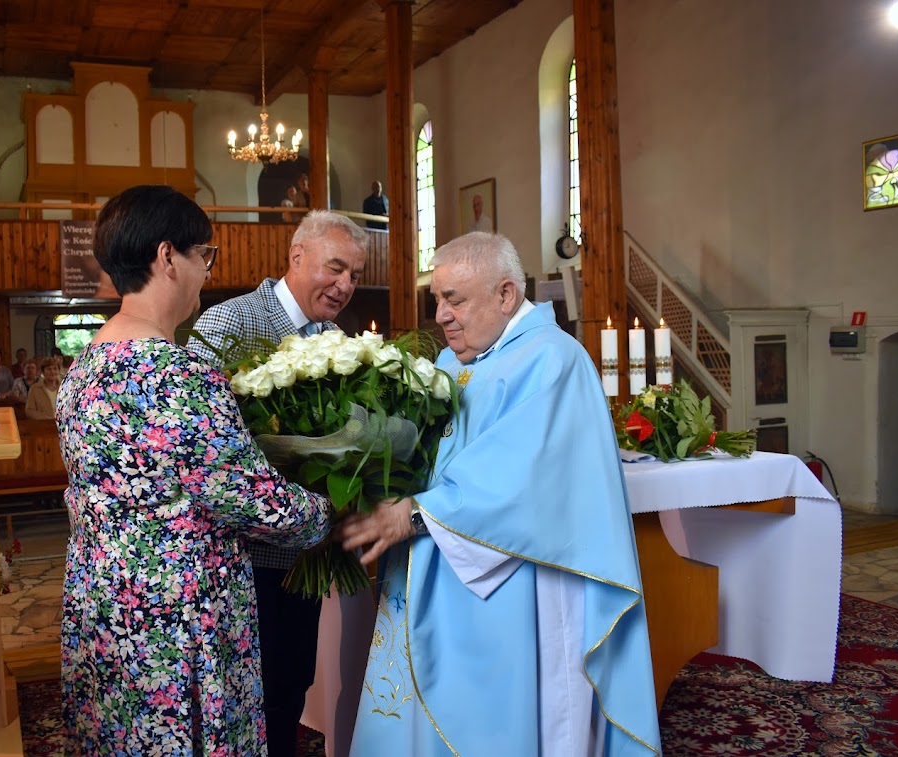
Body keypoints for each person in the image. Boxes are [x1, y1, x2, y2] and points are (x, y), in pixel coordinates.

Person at [338, 232, 662, 756]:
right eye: (437, 300)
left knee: (508, 715)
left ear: (506, 294)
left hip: (519, 577)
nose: (441, 315)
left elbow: (520, 476)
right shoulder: (451, 362)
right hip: (438, 564)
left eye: (455, 300)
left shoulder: (552, 360)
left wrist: (416, 513)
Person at [56, 184, 332, 754]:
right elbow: (260, 504)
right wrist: (331, 511)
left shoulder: (83, 367)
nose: (206, 271)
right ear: (166, 258)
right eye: (202, 256)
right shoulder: (177, 375)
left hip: (103, 599)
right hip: (176, 617)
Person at [187, 210, 368, 757]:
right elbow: (204, 450)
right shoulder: (228, 324)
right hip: (240, 562)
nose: (344, 286)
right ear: (297, 256)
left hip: (305, 558)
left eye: (355, 275)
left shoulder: (334, 338)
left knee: (291, 687)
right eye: (335, 268)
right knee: (240, 705)